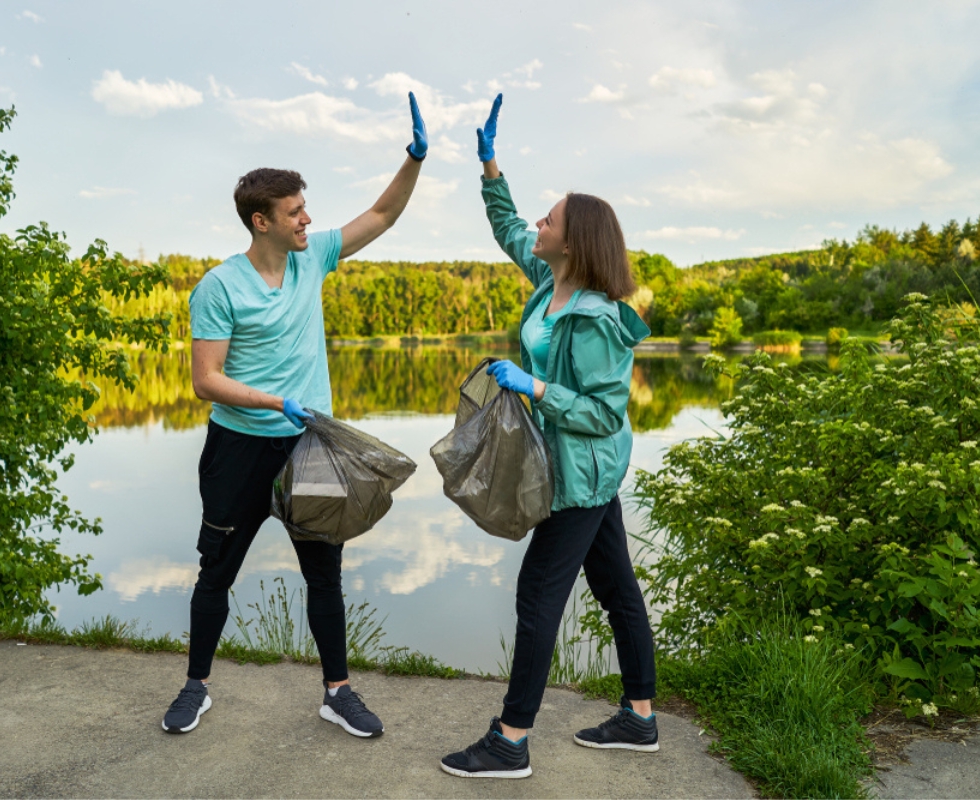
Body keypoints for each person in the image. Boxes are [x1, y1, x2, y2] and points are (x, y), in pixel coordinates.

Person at [161, 93, 430, 738]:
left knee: (324, 572)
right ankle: (195, 687)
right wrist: (272, 400)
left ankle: (337, 692)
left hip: (309, 449)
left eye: (306, 209)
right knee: (216, 571)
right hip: (240, 449)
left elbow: (383, 215)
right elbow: (206, 381)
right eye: (295, 212)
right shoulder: (219, 286)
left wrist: (414, 157)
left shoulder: (315, 258)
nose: (308, 219)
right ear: (261, 222)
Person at [440, 94, 657, 779]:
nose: (538, 223)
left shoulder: (595, 318)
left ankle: (511, 740)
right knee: (618, 587)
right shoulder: (549, 281)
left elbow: (601, 413)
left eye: (550, 219)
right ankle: (640, 718)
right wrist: (489, 167)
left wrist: (535, 389)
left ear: (575, 239)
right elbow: (508, 229)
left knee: (537, 597)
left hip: (581, 475)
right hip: (576, 469)